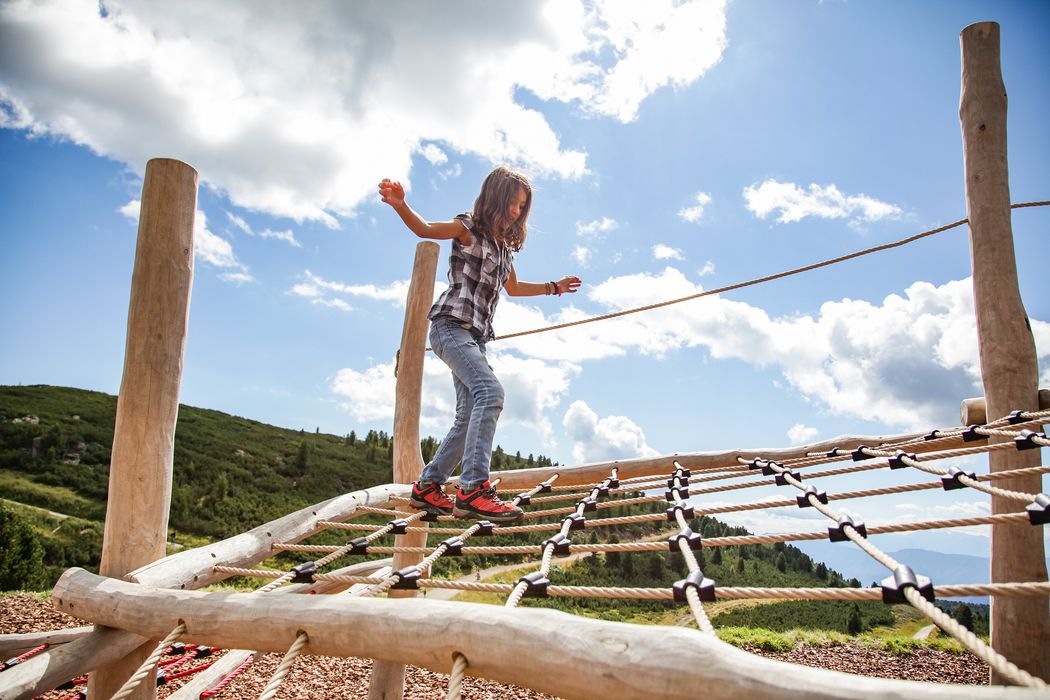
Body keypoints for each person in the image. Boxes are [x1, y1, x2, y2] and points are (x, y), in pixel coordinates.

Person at [378, 167, 581, 524]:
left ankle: (428, 487)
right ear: (495, 199)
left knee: (469, 412)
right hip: (450, 327)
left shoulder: (504, 251)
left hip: (475, 338)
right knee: (491, 392)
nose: (517, 213)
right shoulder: (467, 229)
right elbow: (426, 229)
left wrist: (554, 287)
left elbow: (514, 288)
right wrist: (400, 205)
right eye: (513, 204)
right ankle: (472, 489)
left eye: (522, 208)